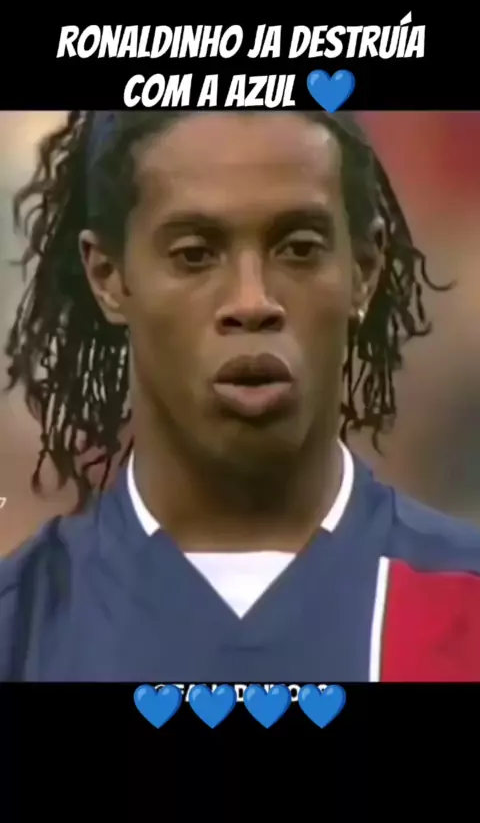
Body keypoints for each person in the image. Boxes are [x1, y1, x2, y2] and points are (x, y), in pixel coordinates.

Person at [1, 109, 480, 683]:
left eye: (299, 249)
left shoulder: (466, 604)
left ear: (364, 269)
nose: (253, 302)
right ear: (108, 276)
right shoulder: (20, 629)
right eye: (194, 255)